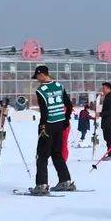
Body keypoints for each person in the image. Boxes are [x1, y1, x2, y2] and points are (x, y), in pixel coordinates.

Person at [30, 65, 74, 195]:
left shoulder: (41, 90)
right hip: (60, 124)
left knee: (42, 156)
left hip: (48, 125)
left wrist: (42, 126)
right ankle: (65, 180)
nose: (37, 79)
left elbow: (44, 112)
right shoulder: (60, 86)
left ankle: (41, 185)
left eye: (37, 77)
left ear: (42, 74)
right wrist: (66, 119)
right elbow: (69, 104)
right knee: (57, 153)